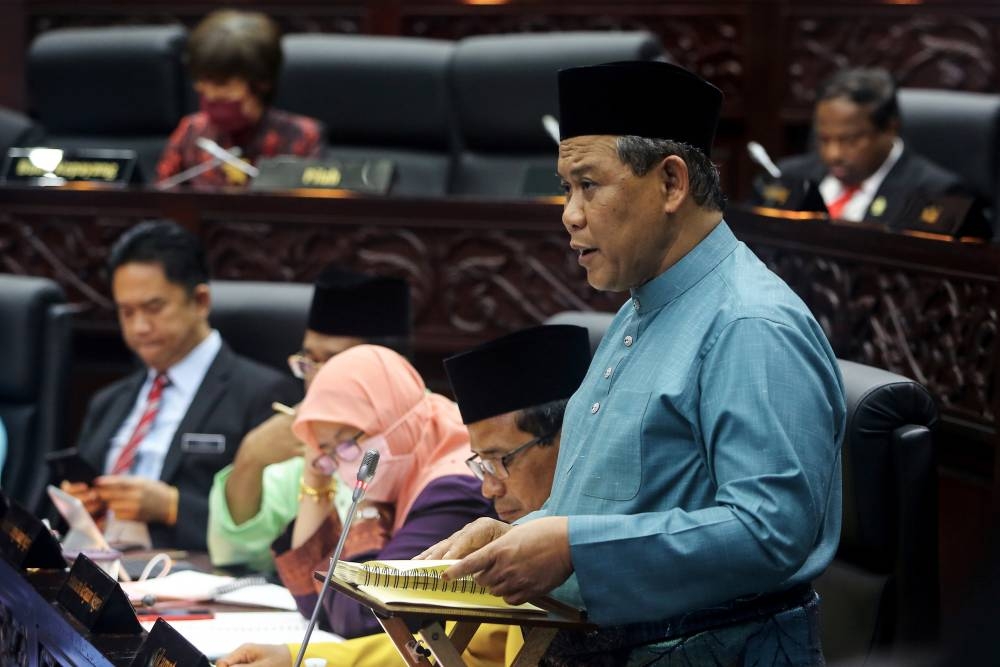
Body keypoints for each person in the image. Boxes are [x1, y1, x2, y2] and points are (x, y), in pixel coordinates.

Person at [421, 61, 847, 666]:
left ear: (671, 183)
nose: (568, 212)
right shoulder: (638, 309)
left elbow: (770, 532)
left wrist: (571, 547)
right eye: (566, 188)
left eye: (588, 185)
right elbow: (622, 505)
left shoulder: (750, 324)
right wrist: (521, 534)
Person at [216, 324, 591, 667]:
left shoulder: (601, 542)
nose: (488, 488)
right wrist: (302, 658)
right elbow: (466, 650)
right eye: (482, 463)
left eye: (499, 460)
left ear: (567, 441)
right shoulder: (512, 531)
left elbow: (362, 614)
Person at [59, 221, 299, 551]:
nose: (139, 327)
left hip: (189, 578)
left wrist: (173, 507)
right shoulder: (108, 401)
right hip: (95, 571)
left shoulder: (263, 394)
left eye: (154, 308)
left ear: (200, 301)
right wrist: (80, 505)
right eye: (126, 313)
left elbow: (277, 531)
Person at [270, 345, 492, 640]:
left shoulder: (454, 490)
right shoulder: (405, 469)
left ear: (394, 419)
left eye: (346, 443)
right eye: (328, 453)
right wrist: (315, 478)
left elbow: (361, 617)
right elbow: (313, 604)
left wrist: (366, 512)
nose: (341, 464)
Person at [208, 267, 412, 571]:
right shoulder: (304, 430)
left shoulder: (434, 434)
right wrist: (250, 458)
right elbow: (235, 554)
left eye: (333, 362)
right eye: (309, 362)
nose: (316, 380)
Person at [155, 9, 325, 188]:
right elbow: (159, 203)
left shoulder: (302, 136)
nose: (210, 94)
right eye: (202, 81)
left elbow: (314, 210)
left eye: (222, 84)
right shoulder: (191, 131)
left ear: (261, 82)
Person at [778, 67, 964, 223]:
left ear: (890, 129)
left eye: (850, 140)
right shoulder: (790, 177)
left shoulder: (935, 194)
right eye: (824, 139)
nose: (833, 154)